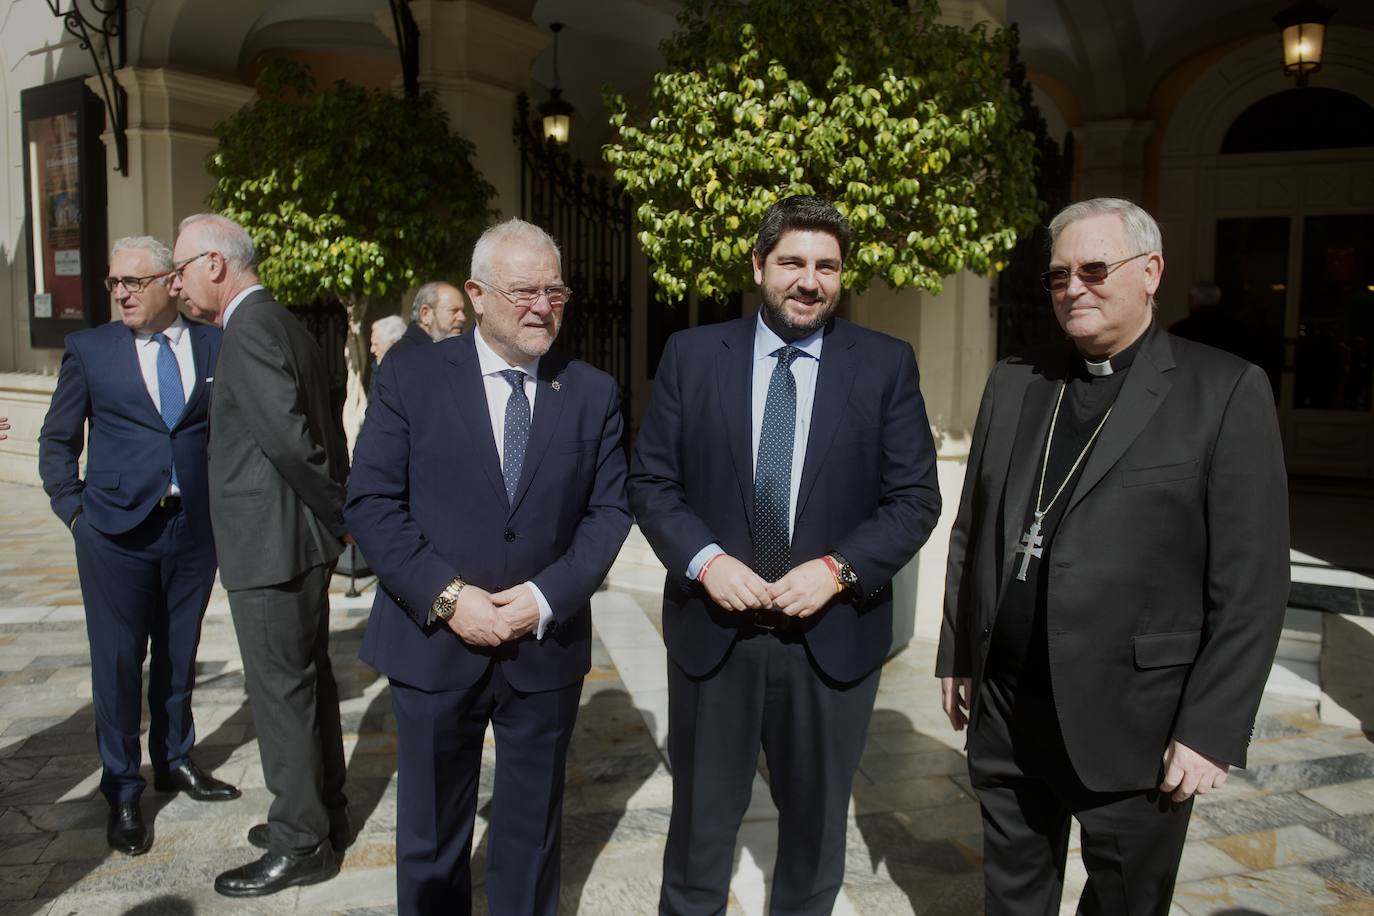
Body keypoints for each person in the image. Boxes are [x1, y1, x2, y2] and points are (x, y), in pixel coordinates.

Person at [937, 198, 1289, 915]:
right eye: (1059, 275)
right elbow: (973, 528)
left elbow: (1251, 584)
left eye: (1095, 269)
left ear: (1151, 271)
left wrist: (1209, 728)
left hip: (1137, 724)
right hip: (1008, 709)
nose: (1075, 288)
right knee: (1010, 897)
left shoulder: (1222, 390)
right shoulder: (1017, 380)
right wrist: (956, 651)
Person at [628, 195, 942, 915]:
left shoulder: (886, 365)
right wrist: (706, 560)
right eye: (793, 262)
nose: (810, 281)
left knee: (813, 842)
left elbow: (915, 498)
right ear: (758, 265)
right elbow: (651, 482)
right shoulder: (694, 355)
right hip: (716, 639)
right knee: (700, 839)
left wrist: (839, 569)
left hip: (830, 645)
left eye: (827, 266)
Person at [346, 218, 631, 915]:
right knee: (431, 838)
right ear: (476, 293)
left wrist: (544, 596)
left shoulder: (591, 392)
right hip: (435, 644)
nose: (543, 306)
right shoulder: (411, 376)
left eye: (555, 291)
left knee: (532, 836)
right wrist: (448, 598)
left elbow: (610, 512)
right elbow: (372, 500)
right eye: (524, 290)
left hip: (543, 648)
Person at [38, 236, 238, 857]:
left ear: (170, 282)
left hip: (192, 532)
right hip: (113, 536)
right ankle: (122, 787)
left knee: (180, 653)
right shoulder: (91, 350)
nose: (121, 292)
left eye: (133, 281)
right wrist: (76, 515)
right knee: (119, 664)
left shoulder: (215, 344)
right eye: (113, 283)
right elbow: (55, 443)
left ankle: (175, 758)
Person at [169, 213, 350, 897]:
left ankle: (301, 842)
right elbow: (322, 429)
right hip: (292, 540)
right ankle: (320, 814)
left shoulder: (246, 330)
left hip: (273, 548)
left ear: (216, 264)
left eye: (181, 270)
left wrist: (339, 515)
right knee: (308, 683)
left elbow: (292, 440)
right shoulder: (283, 322)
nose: (177, 286)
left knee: (281, 694)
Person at [390, 280, 467, 353]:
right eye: (453, 311)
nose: (462, 318)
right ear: (425, 314)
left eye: (463, 311)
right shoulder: (404, 357)